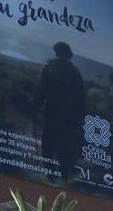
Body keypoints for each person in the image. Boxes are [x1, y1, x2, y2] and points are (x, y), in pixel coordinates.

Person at [33, 41, 85, 181]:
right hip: (68, 117)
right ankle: (64, 174)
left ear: (57, 52)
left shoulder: (49, 67)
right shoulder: (75, 71)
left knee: (48, 144)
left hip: (51, 113)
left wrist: (35, 106)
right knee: (64, 145)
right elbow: (81, 97)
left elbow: (41, 90)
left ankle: (51, 175)